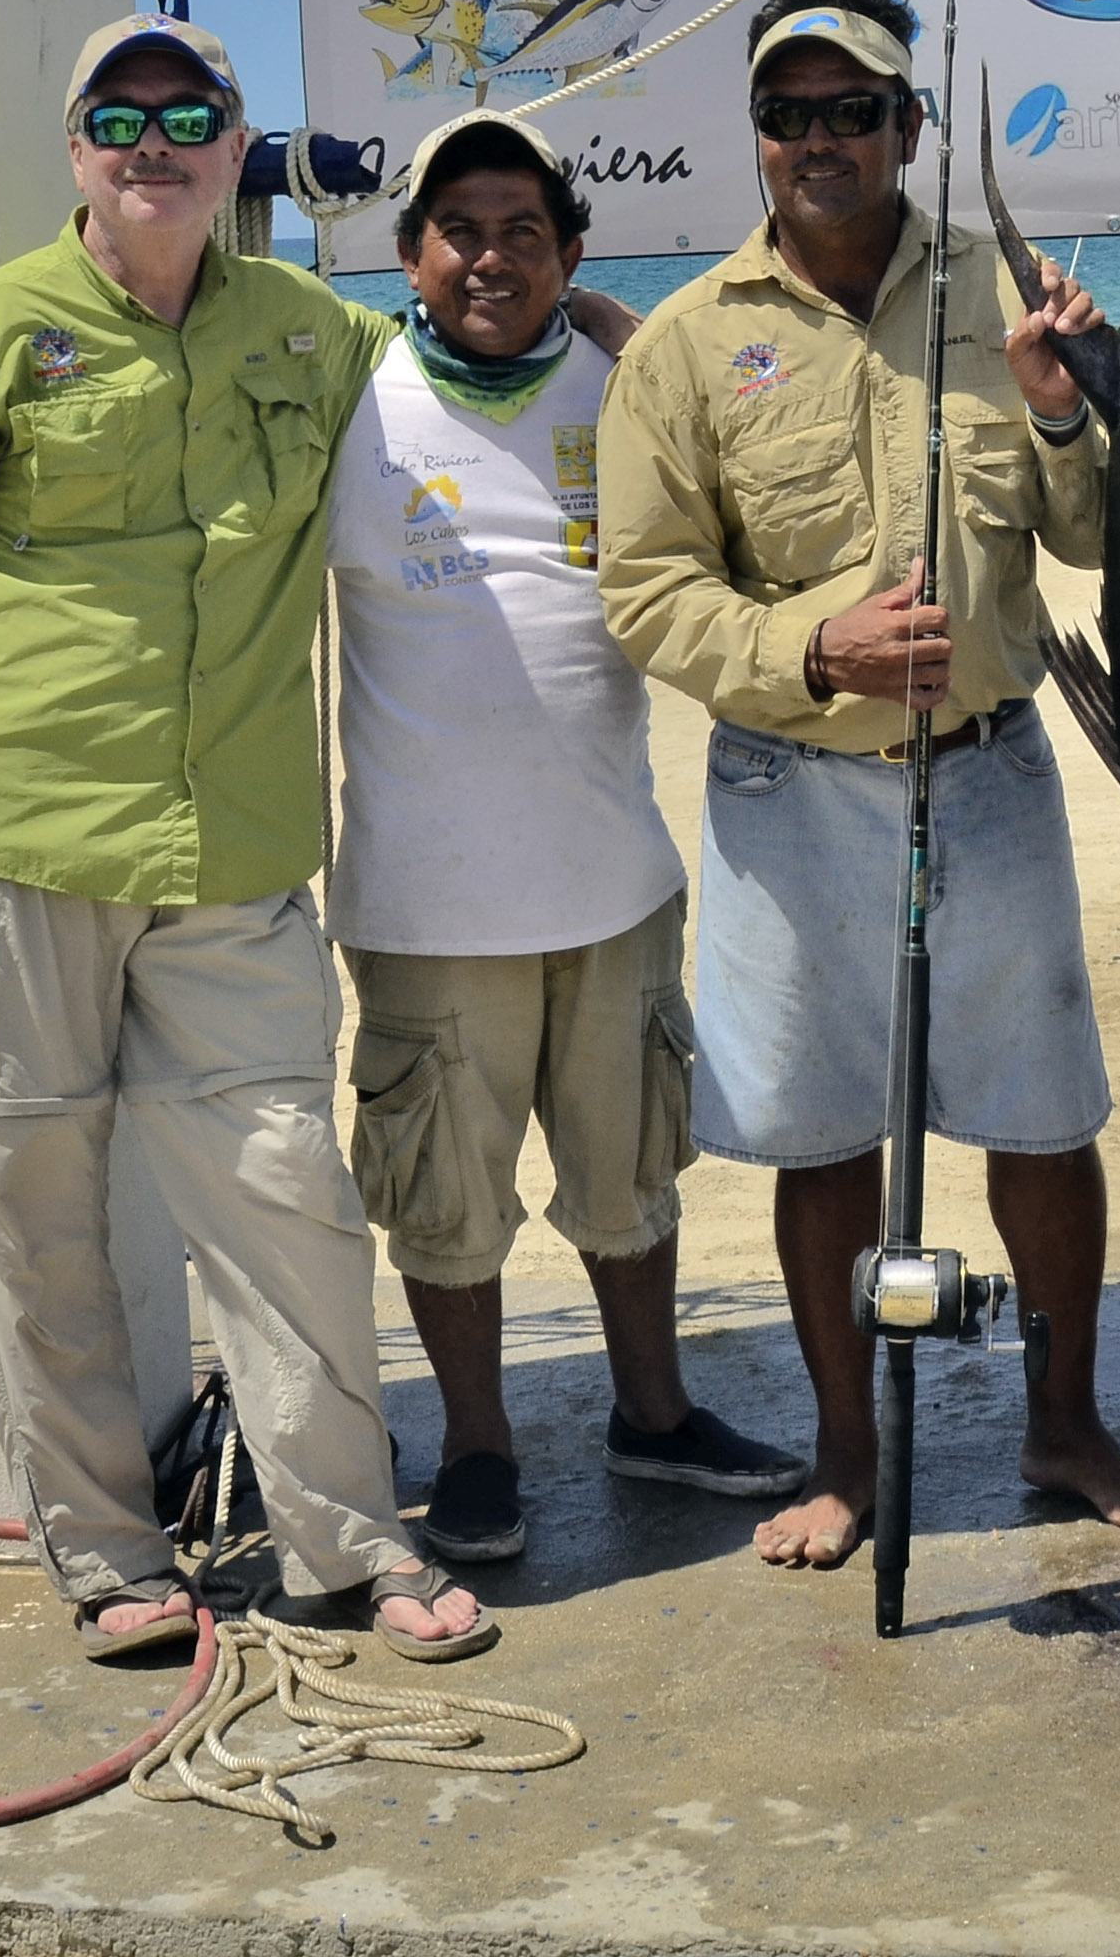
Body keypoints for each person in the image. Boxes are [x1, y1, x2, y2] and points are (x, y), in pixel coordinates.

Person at [0, 15, 614, 1663]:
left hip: (233, 859)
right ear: (78, 151)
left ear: (238, 145)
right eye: (120, 113)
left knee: (287, 1197)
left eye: (191, 113)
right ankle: (110, 1559)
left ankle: (353, 1541)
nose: (154, 138)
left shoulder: (315, 339)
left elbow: (475, 347)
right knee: (31, 1219)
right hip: (4, 845)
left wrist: (611, 327)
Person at [596, 0, 1120, 1569]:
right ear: (757, 139)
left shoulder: (1017, 305)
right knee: (817, 1141)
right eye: (789, 116)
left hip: (990, 780)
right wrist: (819, 649)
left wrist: (1071, 414)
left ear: (907, 128)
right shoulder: (682, 344)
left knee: (1043, 1120)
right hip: (785, 796)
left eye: (852, 111)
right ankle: (848, 1455)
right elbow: (649, 595)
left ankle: (1065, 1425)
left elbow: (1098, 544)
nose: (820, 140)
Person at [325, 106, 804, 1568]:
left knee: (628, 1178)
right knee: (446, 1211)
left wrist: (631, 327)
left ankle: (652, 1413)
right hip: (421, 902)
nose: (490, 256)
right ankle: (478, 1444)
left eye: (525, 231)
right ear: (408, 255)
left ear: (571, 251)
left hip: (614, 885)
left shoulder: (625, 381)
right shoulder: (345, 398)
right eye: (459, 228)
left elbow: (759, 438)